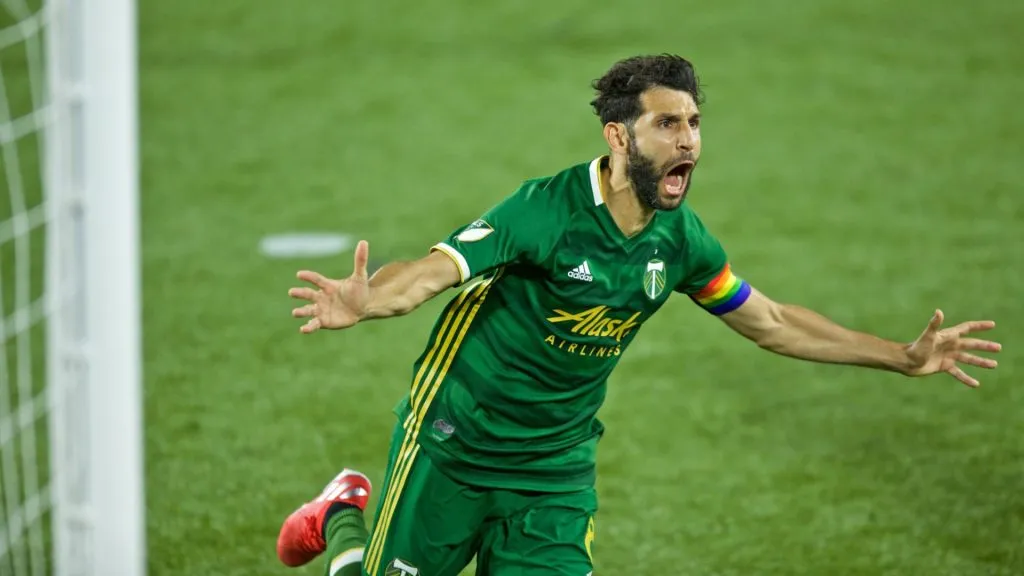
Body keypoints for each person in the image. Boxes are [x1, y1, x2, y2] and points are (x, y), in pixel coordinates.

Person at [274, 54, 1001, 576]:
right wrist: (369, 302)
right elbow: (431, 274)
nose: (688, 140)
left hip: (555, 473)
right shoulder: (543, 212)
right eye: (666, 124)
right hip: (453, 447)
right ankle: (343, 511)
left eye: (693, 123)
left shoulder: (681, 242)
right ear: (618, 138)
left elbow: (772, 322)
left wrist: (900, 357)